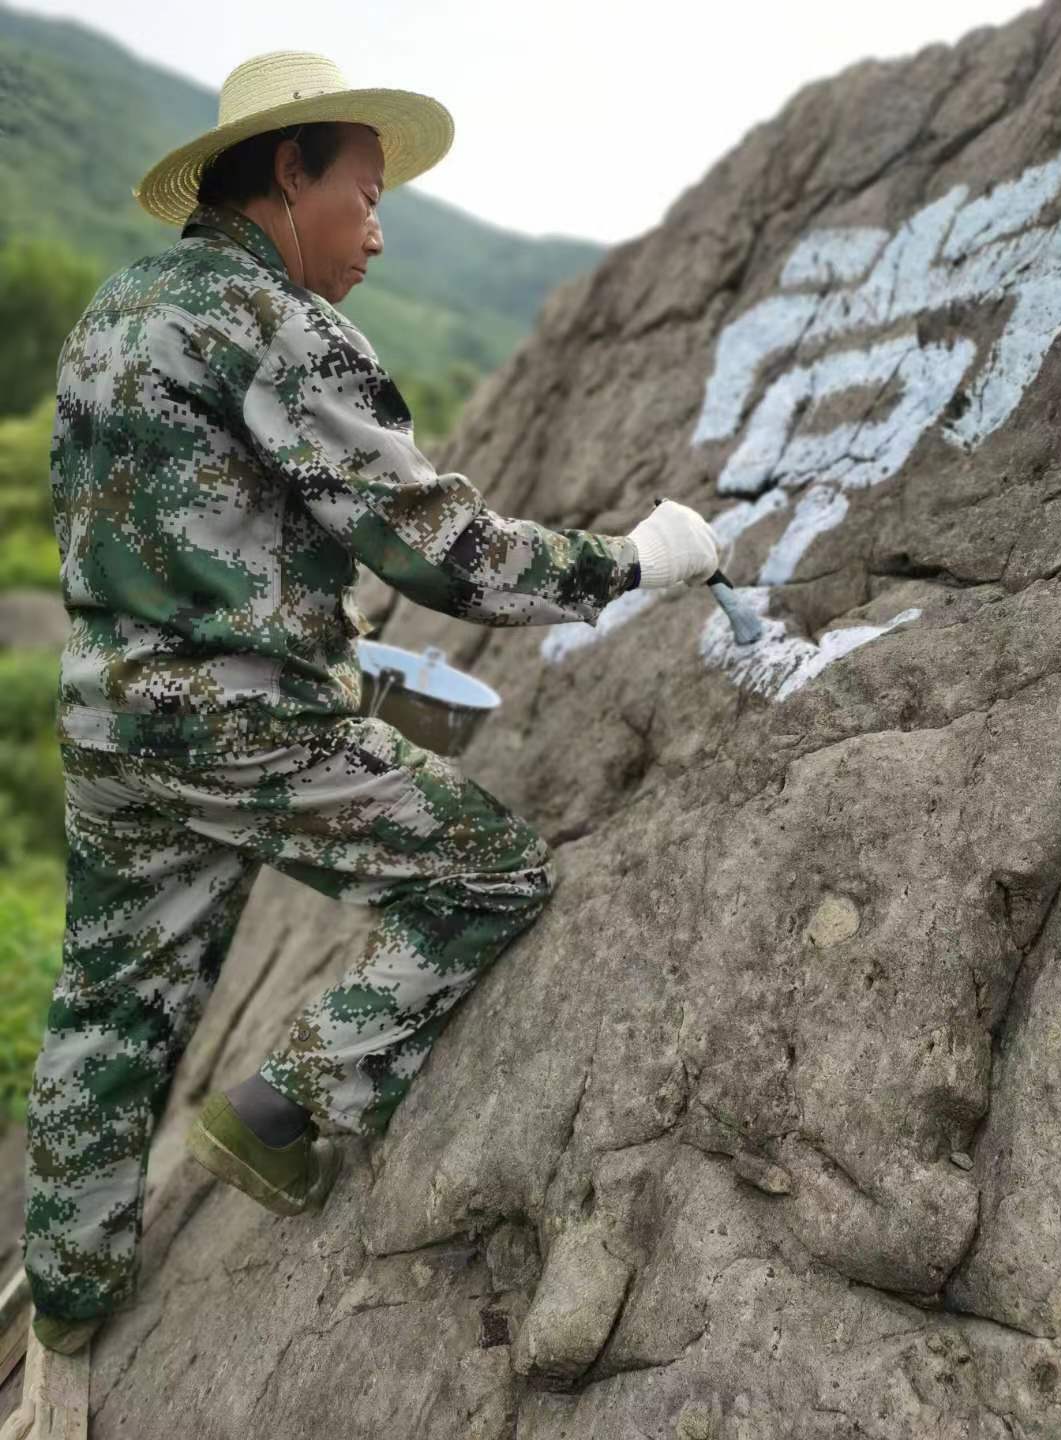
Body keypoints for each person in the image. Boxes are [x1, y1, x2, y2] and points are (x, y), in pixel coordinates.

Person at [21, 50, 722, 1356]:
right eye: (367, 191)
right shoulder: (278, 326)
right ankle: (285, 1110)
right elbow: (443, 553)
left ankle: (68, 1305)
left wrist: (313, 634)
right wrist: (637, 560)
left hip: (112, 722)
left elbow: (174, 535)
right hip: (245, 728)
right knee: (488, 873)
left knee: (110, 1005)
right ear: (290, 172)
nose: (381, 235)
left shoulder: (116, 313)